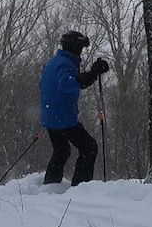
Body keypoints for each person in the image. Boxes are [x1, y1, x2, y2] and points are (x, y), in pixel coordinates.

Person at [38, 30, 110, 185]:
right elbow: (67, 84)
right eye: (81, 47)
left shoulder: (52, 62)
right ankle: (80, 187)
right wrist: (92, 74)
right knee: (89, 147)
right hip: (63, 118)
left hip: (49, 117)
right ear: (74, 47)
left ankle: (50, 185)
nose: (81, 51)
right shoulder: (65, 63)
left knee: (62, 150)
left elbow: (42, 84)